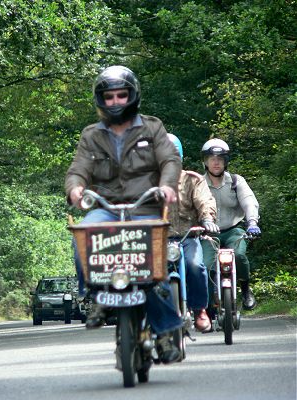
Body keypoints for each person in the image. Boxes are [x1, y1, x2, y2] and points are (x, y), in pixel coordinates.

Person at [65, 65, 183, 364]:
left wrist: (167, 186)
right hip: (105, 209)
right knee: (82, 237)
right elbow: (78, 169)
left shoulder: (152, 127)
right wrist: (76, 189)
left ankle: (167, 333)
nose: (115, 101)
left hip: (145, 208)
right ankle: (94, 296)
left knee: (155, 273)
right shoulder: (91, 135)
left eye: (121, 95)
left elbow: (169, 160)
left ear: (132, 96)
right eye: (109, 96)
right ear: (100, 100)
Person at [200, 138, 261, 310]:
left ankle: (246, 290)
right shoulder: (199, 183)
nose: (216, 162)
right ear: (205, 161)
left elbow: (249, 201)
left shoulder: (236, 181)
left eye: (220, 159)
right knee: (206, 264)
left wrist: (252, 222)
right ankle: (208, 301)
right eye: (212, 159)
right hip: (208, 233)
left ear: (226, 161)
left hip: (234, 230)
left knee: (239, 256)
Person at [167, 133, 220, 333]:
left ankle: (200, 311)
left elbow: (205, 201)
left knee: (195, 265)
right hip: (157, 239)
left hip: (187, 237)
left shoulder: (193, 180)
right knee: (146, 273)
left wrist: (207, 219)